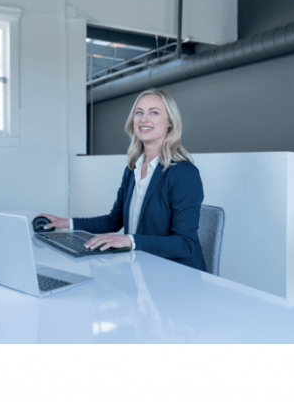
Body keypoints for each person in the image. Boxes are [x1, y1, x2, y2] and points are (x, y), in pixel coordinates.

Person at [37, 89, 206, 271]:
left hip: (176, 274)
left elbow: (185, 244)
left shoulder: (184, 173)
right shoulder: (133, 169)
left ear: (170, 123)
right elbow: (114, 221)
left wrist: (129, 240)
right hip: (142, 266)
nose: (143, 119)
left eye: (154, 112)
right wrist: (65, 223)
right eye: (139, 112)